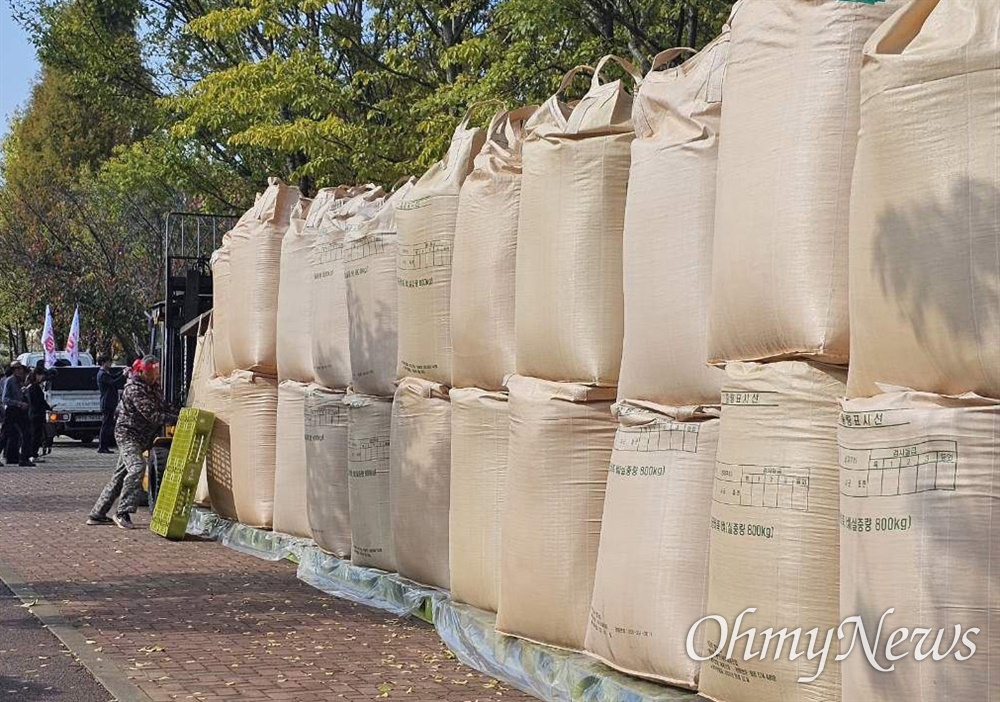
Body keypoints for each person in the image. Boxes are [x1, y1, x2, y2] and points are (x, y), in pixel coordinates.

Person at [87, 355, 176, 529]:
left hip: (141, 437)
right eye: (151, 373)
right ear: (141, 372)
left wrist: (182, 411)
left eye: (156, 373)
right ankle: (123, 512)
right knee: (137, 468)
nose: (155, 376)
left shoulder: (153, 387)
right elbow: (153, 415)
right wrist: (178, 418)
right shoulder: (134, 389)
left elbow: (164, 406)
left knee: (120, 476)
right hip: (128, 436)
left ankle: (97, 514)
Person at [1, 361, 34, 467]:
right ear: (13, 370)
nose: (20, 371)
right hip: (12, 410)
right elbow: (5, 398)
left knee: (27, 433)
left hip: (22, 411)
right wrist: (19, 403)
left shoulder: (23, 381)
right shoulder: (10, 381)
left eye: (21, 369)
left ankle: (24, 458)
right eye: (17, 369)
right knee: (5, 435)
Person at [96, 357, 126, 454]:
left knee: (107, 424)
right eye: (109, 362)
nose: (110, 364)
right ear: (104, 363)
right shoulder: (102, 374)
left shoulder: (106, 373)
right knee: (106, 425)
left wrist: (122, 372)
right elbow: (114, 382)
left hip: (109, 402)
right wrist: (123, 375)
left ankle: (104, 446)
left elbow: (113, 377)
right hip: (107, 402)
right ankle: (102, 446)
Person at [25, 370, 53, 462]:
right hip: (36, 414)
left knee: (36, 435)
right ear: (36, 375)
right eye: (40, 375)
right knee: (35, 435)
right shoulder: (34, 387)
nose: (42, 377)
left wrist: (48, 407)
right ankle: (33, 454)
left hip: (35, 413)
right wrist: (46, 407)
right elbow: (39, 401)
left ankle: (33, 453)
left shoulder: (32, 387)